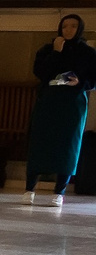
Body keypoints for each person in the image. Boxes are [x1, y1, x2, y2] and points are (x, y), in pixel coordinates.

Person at [27, 15, 96, 203]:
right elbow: (41, 72)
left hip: (72, 102)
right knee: (40, 140)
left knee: (68, 144)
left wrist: (80, 82)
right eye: (65, 26)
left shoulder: (87, 53)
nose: (68, 30)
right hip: (49, 100)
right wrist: (57, 52)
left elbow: (93, 79)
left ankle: (59, 191)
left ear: (79, 28)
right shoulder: (48, 49)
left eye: (73, 26)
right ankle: (29, 188)